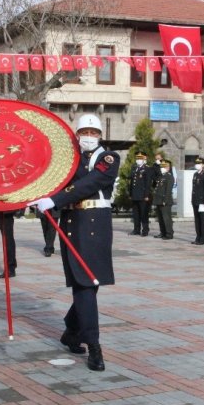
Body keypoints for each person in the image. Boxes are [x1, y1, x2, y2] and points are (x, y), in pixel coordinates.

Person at [32, 113, 120, 371]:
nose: (89, 138)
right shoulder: (68, 159)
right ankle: (92, 344)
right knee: (84, 284)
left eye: (93, 133)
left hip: (96, 222)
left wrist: (56, 198)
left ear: (100, 135)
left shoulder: (108, 158)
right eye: (84, 133)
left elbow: (93, 182)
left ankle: (74, 332)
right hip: (72, 222)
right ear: (77, 135)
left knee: (90, 284)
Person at [129, 152, 151, 236]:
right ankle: (136, 229)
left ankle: (145, 230)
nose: (138, 160)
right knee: (136, 214)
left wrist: (146, 195)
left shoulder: (146, 169)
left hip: (142, 195)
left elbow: (148, 183)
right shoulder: (134, 168)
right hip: (135, 195)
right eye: (137, 158)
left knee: (143, 213)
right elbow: (131, 182)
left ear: (143, 159)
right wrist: (131, 194)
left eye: (140, 159)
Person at [153, 160, 174, 240]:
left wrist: (165, 200)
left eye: (164, 167)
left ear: (168, 168)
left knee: (166, 218)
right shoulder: (161, 176)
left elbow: (168, 190)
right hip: (159, 200)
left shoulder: (169, 176)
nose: (162, 168)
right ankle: (163, 232)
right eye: (161, 167)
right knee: (160, 219)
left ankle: (169, 234)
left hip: (166, 201)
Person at [191, 156, 204, 245]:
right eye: (196, 163)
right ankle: (198, 237)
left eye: (199, 163)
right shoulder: (195, 174)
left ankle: (203, 239)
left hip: (202, 201)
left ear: (203, 165)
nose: (197, 165)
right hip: (195, 200)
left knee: (203, 221)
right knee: (197, 220)